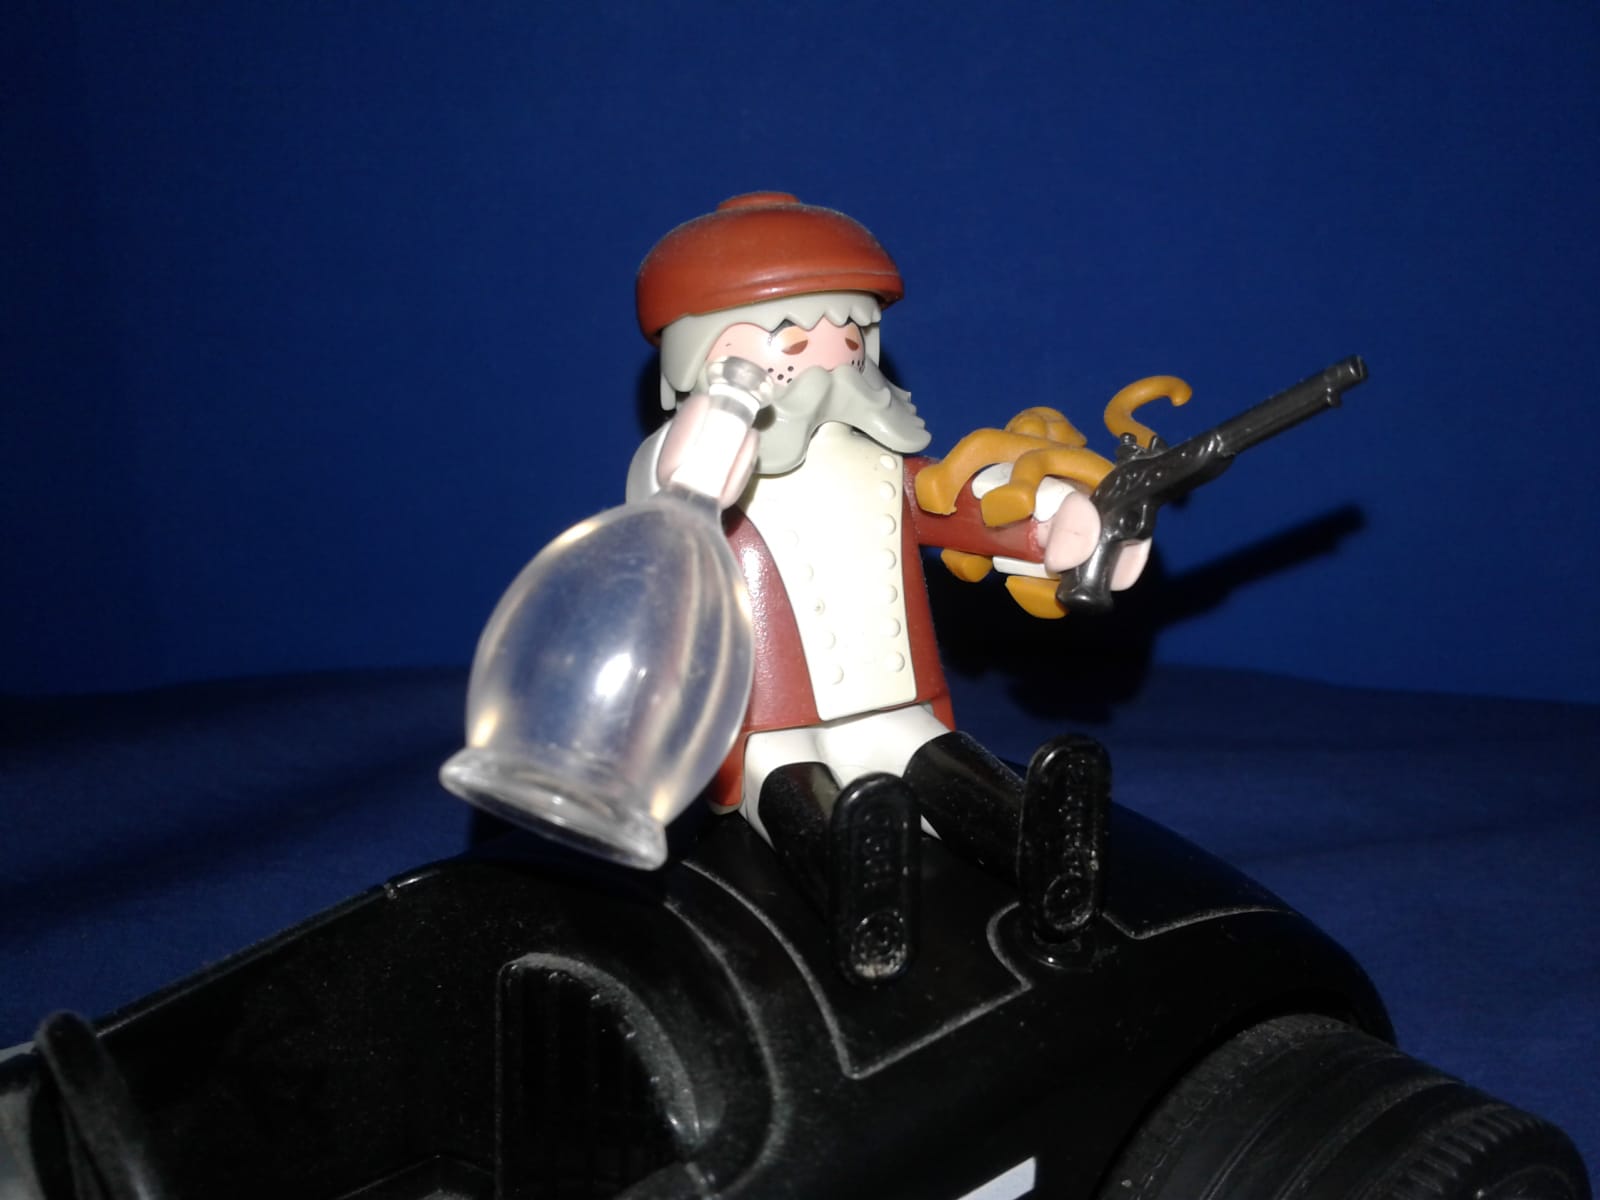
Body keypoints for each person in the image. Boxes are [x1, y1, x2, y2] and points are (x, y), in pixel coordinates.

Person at [628, 193, 1149, 981]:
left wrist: (1059, 525)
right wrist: (719, 425)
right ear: (702, 353)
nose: (829, 361)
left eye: (850, 337)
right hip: (765, 716)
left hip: (895, 694)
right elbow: (673, 506)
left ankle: (1038, 845)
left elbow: (964, 506)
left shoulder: (881, 460)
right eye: (793, 340)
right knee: (791, 787)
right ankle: (859, 886)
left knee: (931, 758)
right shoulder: (689, 461)